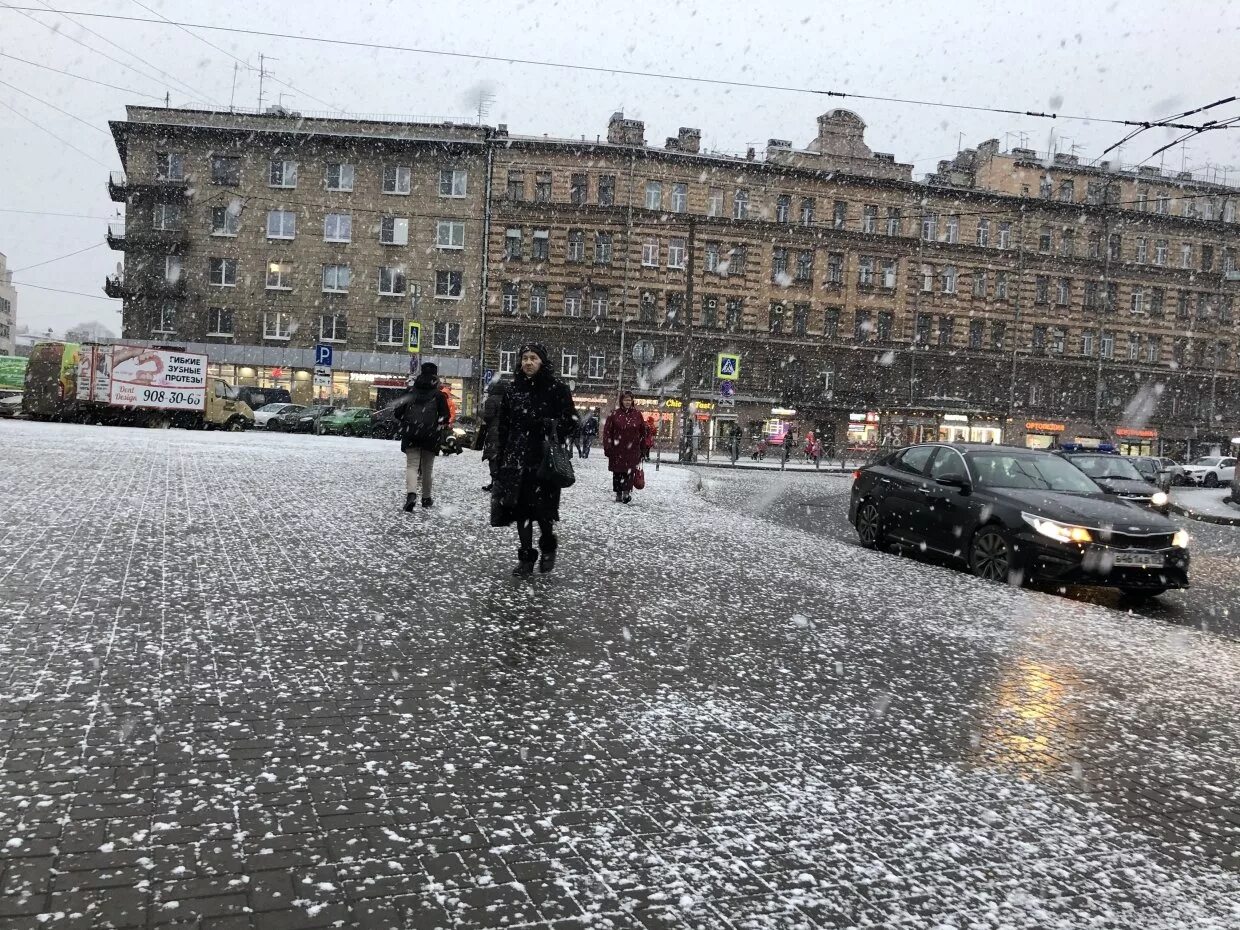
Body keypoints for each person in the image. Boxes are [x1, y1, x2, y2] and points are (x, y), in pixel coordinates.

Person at [491, 343, 578, 576]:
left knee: (544, 512)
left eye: (533, 358)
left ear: (542, 362)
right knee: (521, 511)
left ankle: (548, 545)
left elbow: (572, 421)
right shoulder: (513, 390)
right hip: (517, 458)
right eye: (525, 358)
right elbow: (504, 427)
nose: (528, 362)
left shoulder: (556, 389)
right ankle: (526, 558)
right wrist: (499, 459)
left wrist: (550, 424)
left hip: (544, 462)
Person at [394, 362, 450, 510]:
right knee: (427, 468)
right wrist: (437, 424)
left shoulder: (410, 391)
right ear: (435, 377)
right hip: (430, 435)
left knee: (412, 466)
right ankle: (426, 498)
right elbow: (446, 416)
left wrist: (408, 422)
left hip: (411, 433)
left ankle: (411, 495)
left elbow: (397, 412)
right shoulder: (438, 395)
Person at [603, 391, 646, 504]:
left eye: (629, 400)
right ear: (621, 401)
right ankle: (618, 493)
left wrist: (643, 447)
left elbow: (643, 432)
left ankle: (627, 492)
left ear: (632, 401)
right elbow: (607, 432)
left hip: (632, 449)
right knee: (617, 472)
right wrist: (608, 446)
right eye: (625, 400)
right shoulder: (614, 414)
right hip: (617, 449)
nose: (627, 402)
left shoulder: (637, 414)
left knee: (629, 472)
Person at [476, 376, 510, 492]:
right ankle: (500, 483)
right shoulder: (510, 399)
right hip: (507, 432)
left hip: (494, 432)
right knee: (503, 458)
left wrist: (480, 413)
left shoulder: (492, 400)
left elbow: (489, 417)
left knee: (493, 458)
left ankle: (495, 482)